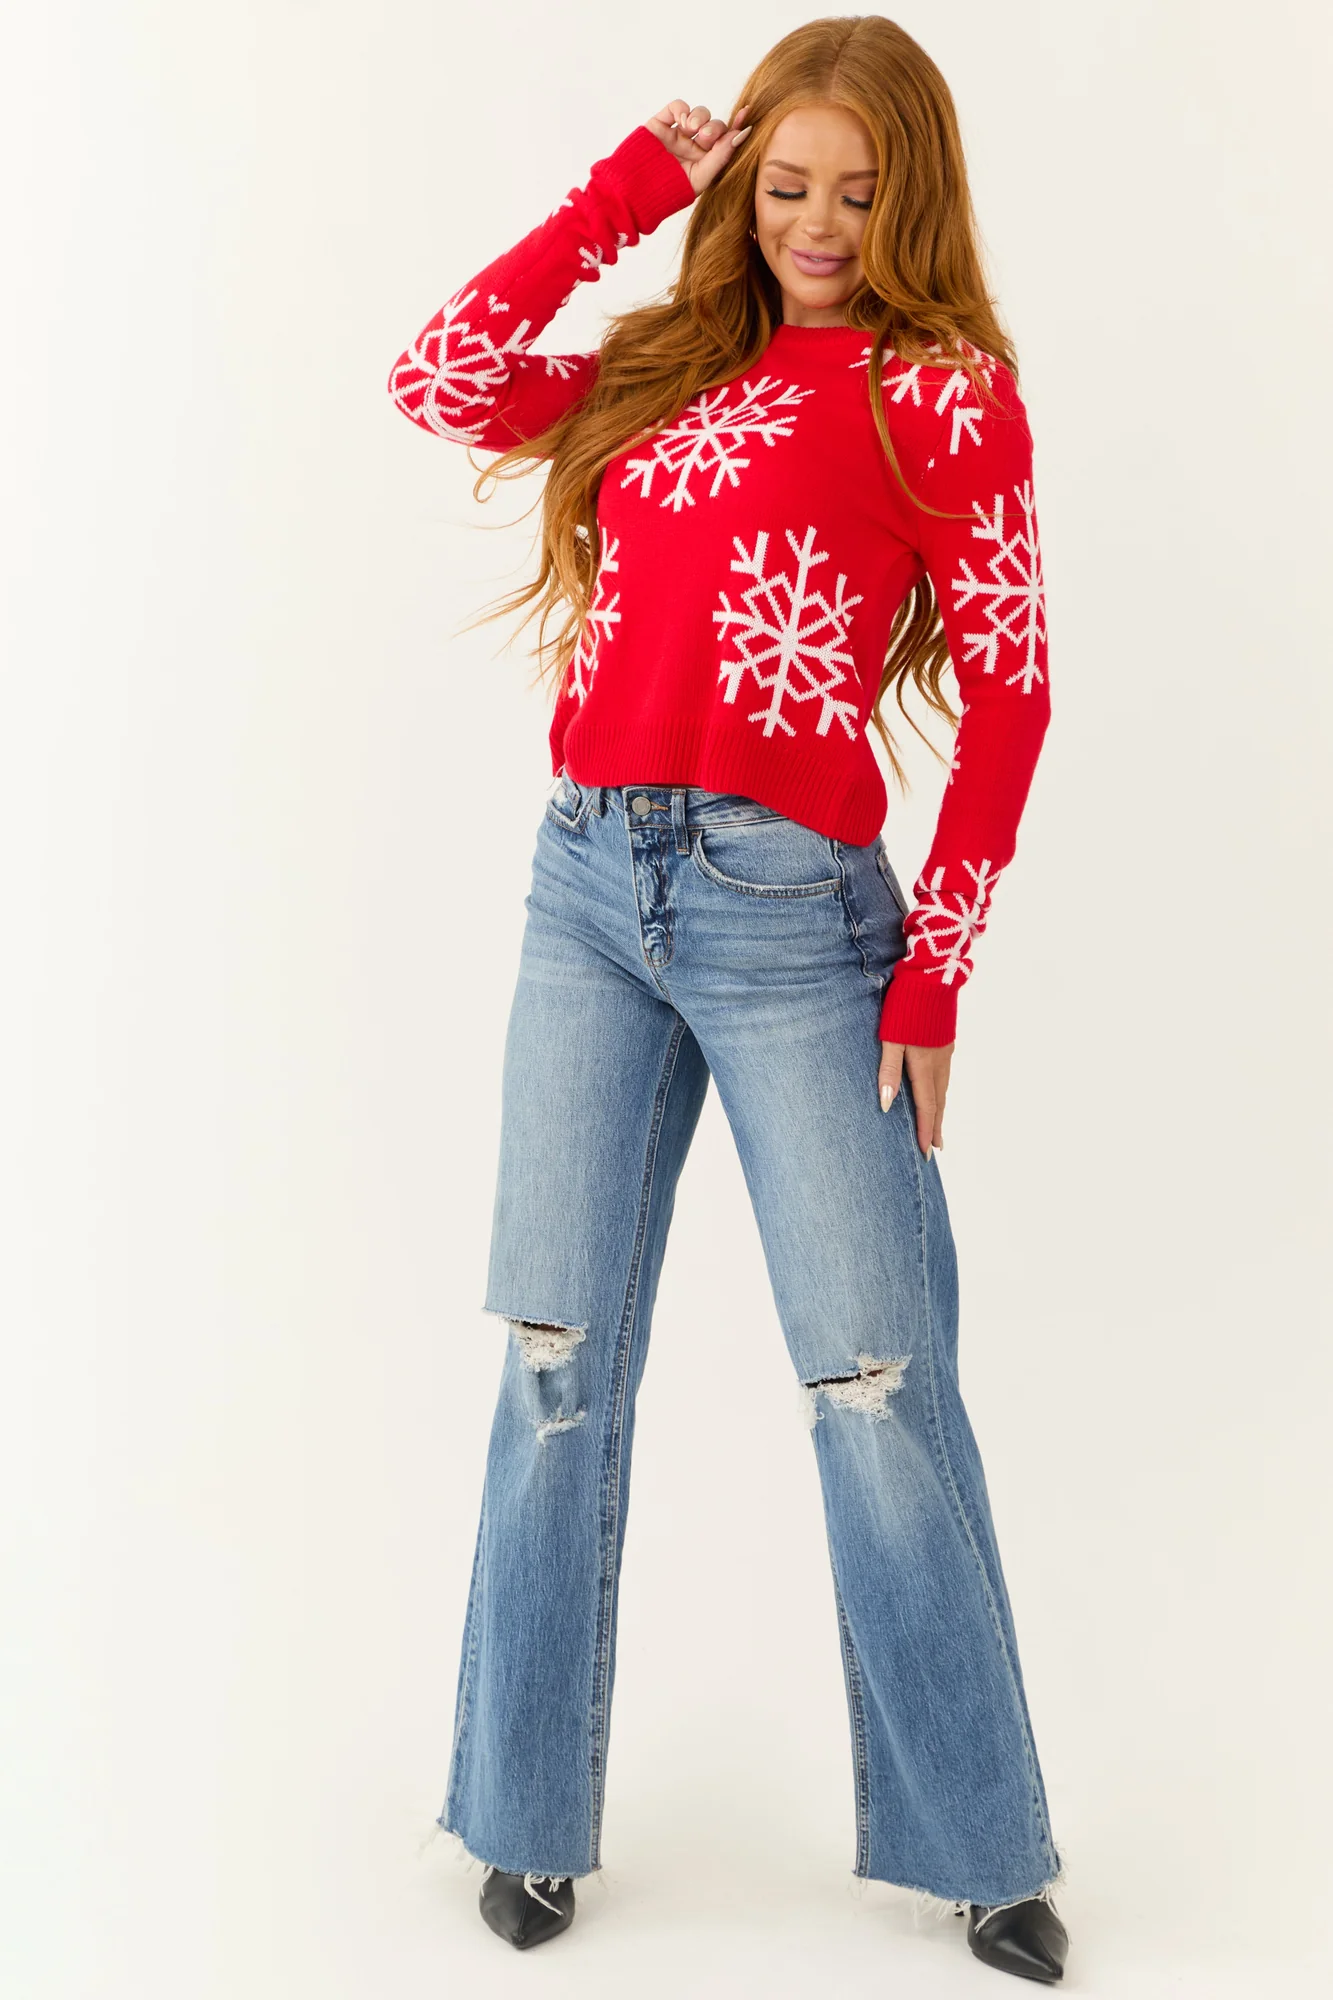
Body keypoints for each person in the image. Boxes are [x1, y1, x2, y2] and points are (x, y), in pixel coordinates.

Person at [387, 13, 1068, 1985]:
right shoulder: (673, 359)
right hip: (586, 890)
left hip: (796, 922)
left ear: (915, 199)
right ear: (741, 186)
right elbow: (439, 374)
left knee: (876, 1378)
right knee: (551, 1355)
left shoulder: (945, 395)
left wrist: (938, 969)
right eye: (785, 186)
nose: (819, 224)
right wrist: (626, 192)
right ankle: (522, 1816)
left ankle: (982, 1844)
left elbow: (1014, 692)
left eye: (859, 192)